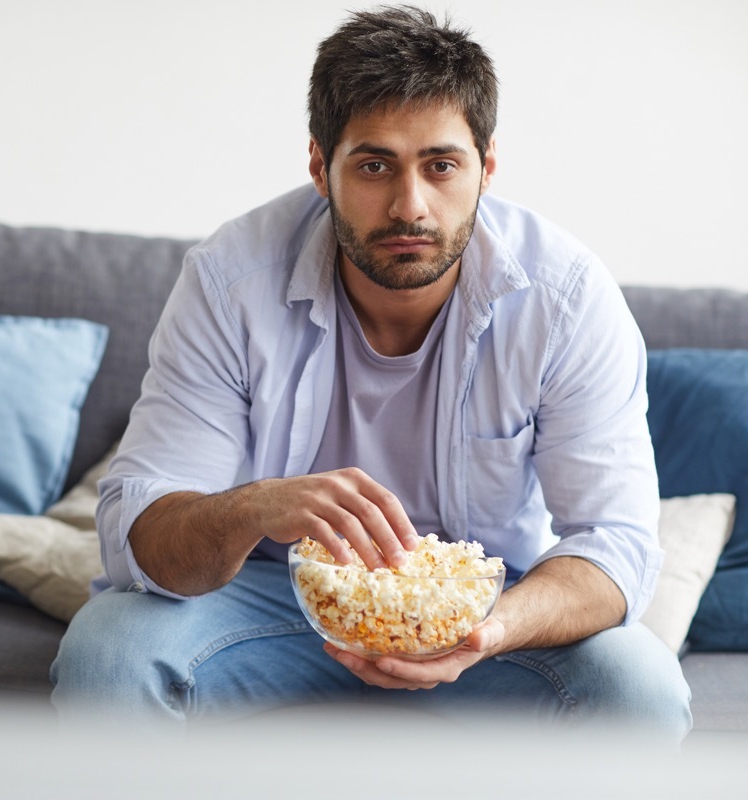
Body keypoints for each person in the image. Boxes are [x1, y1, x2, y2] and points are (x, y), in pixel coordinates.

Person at [50, 5, 691, 740]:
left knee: (639, 690)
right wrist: (259, 507)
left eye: (441, 166)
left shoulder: (567, 298)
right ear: (321, 166)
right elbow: (138, 528)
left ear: (486, 169)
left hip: (486, 610)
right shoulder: (231, 281)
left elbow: (617, 545)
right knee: (109, 654)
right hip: (274, 597)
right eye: (375, 165)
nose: (409, 206)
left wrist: (484, 629)